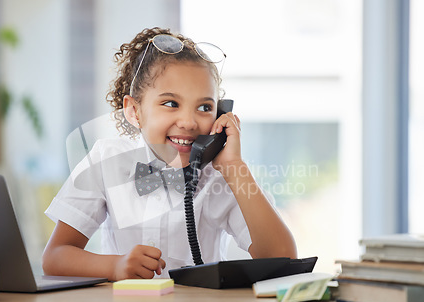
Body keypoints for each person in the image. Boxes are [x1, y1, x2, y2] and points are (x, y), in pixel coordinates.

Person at [42, 27, 297, 281]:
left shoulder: (222, 177)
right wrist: (114, 266)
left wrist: (234, 167)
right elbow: (55, 256)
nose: (188, 122)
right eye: (170, 103)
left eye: (204, 107)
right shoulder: (105, 160)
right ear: (134, 111)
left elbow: (284, 260)